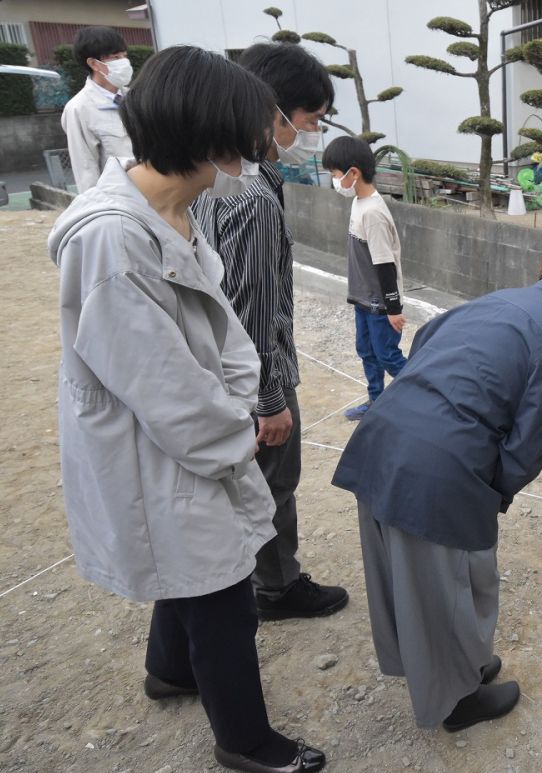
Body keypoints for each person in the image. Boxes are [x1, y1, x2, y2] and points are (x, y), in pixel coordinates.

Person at [51, 45, 324, 773]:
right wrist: (239, 434)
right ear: (210, 132)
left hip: (191, 433)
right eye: (248, 127)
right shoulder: (113, 238)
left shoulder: (171, 212)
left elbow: (227, 335)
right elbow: (163, 389)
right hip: (166, 445)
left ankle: (169, 670)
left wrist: (236, 396)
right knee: (222, 592)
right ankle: (244, 738)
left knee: (193, 567)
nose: (259, 142)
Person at [332, 231, 542, 732]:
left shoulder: (494, 301)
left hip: (383, 436)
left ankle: (460, 666)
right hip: (441, 466)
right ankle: (456, 700)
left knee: (407, 577)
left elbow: (425, 342)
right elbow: (532, 438)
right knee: (447, 585)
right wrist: (493, 491)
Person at [193, 42, 347, 621]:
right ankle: (277, 587)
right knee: (272, 484)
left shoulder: (217, 177)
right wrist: (271, 399)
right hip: (257, 379)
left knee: (247, 485)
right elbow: (251, 308)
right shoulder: (252, 197)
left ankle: (266, 580)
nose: (307, 133)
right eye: (307, 120)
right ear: (273, 110)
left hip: (221, 374)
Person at [321, 136, 407, 421]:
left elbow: (384, 264)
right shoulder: (360, 202)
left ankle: (424, 396)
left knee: (388, 356)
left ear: (353, 173)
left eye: (335, 175)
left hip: (380, 303)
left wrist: (393, 309)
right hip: (363, 298)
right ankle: (376, 402)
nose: (334, 181)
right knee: (367, 352)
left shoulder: (372, 212)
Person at [60, 26, 134, 192]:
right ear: (94, 63)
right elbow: (85, 170)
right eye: (116, 57)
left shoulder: (136, 98)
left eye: (125, 56)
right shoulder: (79, 109)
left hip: (155, 197)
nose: (124, 62)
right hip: (119, 201)